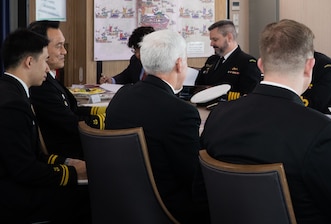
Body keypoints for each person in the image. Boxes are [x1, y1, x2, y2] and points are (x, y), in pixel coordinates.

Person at [201, 19, 331, 224]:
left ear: (260, 65)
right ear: (309, 66)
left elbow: (200, 192)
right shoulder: (319, 130)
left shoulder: (219, 115)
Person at [105, 29, 209, 223]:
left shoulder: (121, 96)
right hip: (165, 207)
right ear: (179, 64)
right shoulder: (181, 113)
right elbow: (194, 176)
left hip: (122, 202)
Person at [0, 29, 90, 223]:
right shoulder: (13, 104)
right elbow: (24, 169)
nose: (47, 69)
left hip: (17, 183)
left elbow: (32, 155)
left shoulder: (13, 91)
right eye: (44, 60)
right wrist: (73, 174)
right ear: (29, 62)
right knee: (89, 196)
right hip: (12, 198)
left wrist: (67, 162)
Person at [28, 20, 105, 159]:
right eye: (59, 46)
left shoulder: (49, 79)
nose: (65, 51)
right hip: (71, 152)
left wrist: (106, 112)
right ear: (41, 49)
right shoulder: (40, 86)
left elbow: (73, 109)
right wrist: (109, 119)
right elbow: (70, 124)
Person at [194, 19, 261, 100]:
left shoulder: (247, 63)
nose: (211, 44)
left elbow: (249, 95)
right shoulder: (212, 60)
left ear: (229, 37)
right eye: (211, 40)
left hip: (232, 109)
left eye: (215, 40)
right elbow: (198, 86)